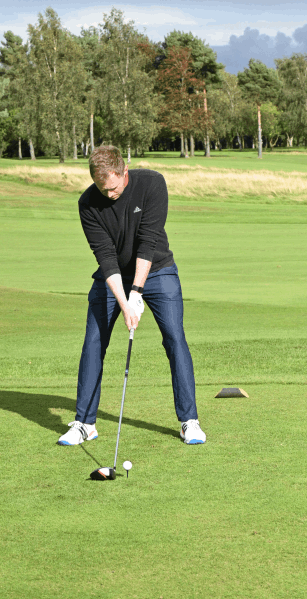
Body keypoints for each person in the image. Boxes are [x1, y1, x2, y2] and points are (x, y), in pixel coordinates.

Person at [58, 145, 206, 446]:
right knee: (93, 343)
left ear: (124, 172)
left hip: (157, 271)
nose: (108, 195)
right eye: (101, 188)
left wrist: (136, 291)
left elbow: (147, 241)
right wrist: (124, 302)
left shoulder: (152, 183)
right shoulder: (87, 203)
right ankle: (85, 423)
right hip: (112, 278)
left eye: (112, 188)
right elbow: (105, 255)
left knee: (174, 338)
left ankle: (189, 421)